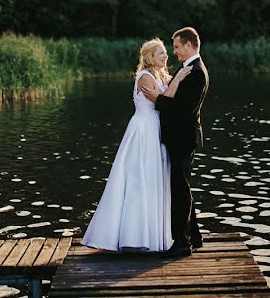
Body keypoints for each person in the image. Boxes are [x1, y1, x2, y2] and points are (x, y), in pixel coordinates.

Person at [81, 38, 192, 252]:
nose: (166, 56)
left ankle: (153, 234)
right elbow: (164, 99)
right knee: (138, 179)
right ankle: (132, 235)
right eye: (161, 53)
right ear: (150, 56)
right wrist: (177, 79)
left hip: (155, 130)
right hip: (143, 131)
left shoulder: (160, 75)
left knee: (153, 179)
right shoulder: (144, 77)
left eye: (166, 52)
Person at [144, 26, 210, 258]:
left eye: (178, 47)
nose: (175, 52)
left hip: (183, 138)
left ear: (190, 45)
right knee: (183, 187)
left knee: (179, 189)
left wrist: (157, 100)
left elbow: (182, 109)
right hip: (179, 137)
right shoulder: (187, 68)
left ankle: (182, 243)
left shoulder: (197, 72)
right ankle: (195, 236)